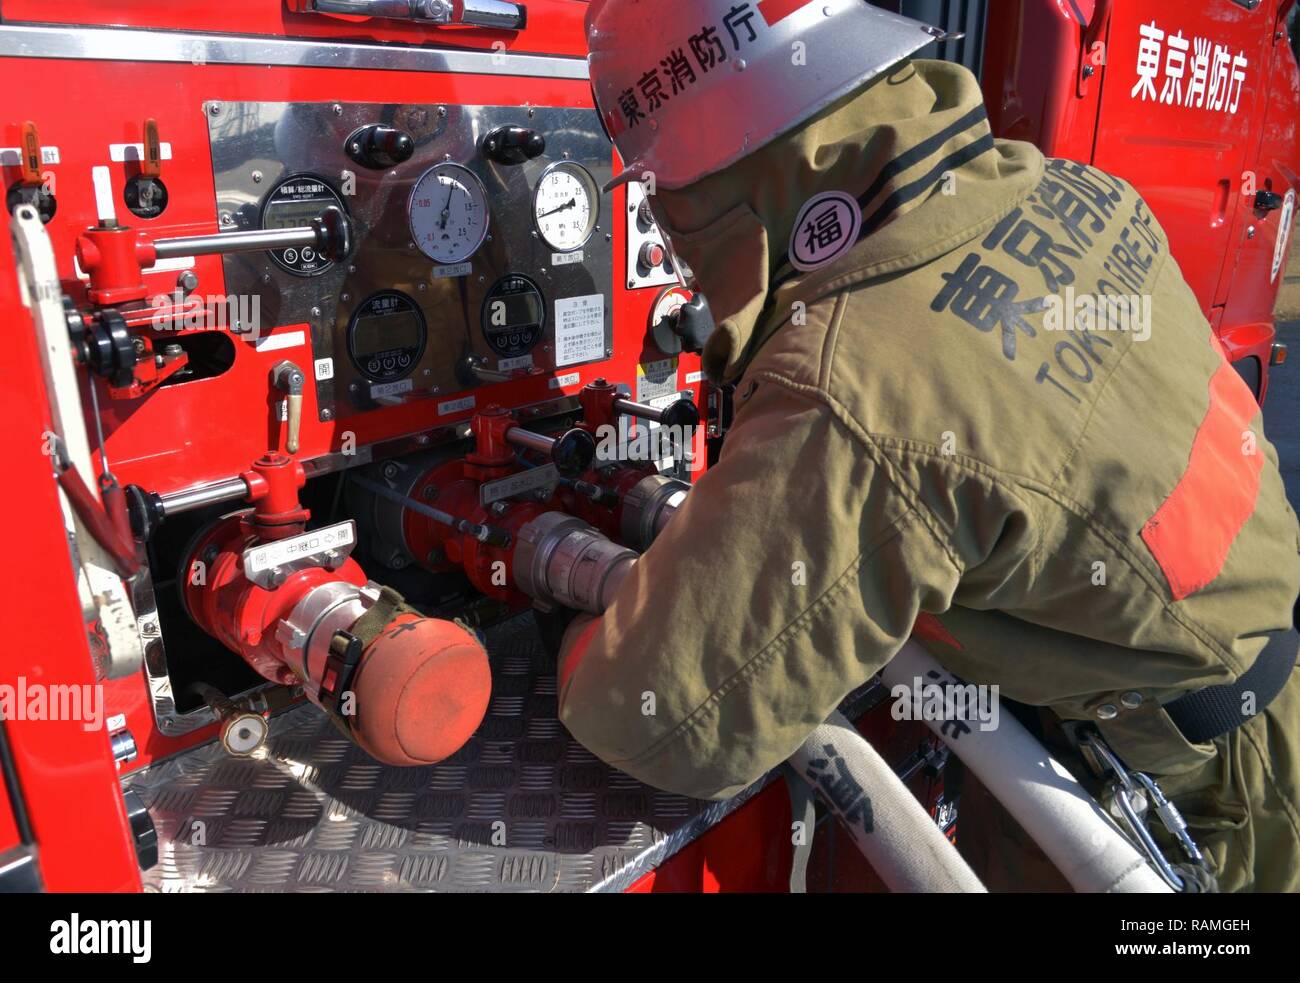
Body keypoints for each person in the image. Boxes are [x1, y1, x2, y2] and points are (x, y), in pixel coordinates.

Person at [555, 0, 1300, 891]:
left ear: (720, 179)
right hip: (1257, 714)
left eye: (665, 196)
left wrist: (581, 618)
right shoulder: (1070, 189)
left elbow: (662, 718)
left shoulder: (854, 386)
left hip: (1176, 804)